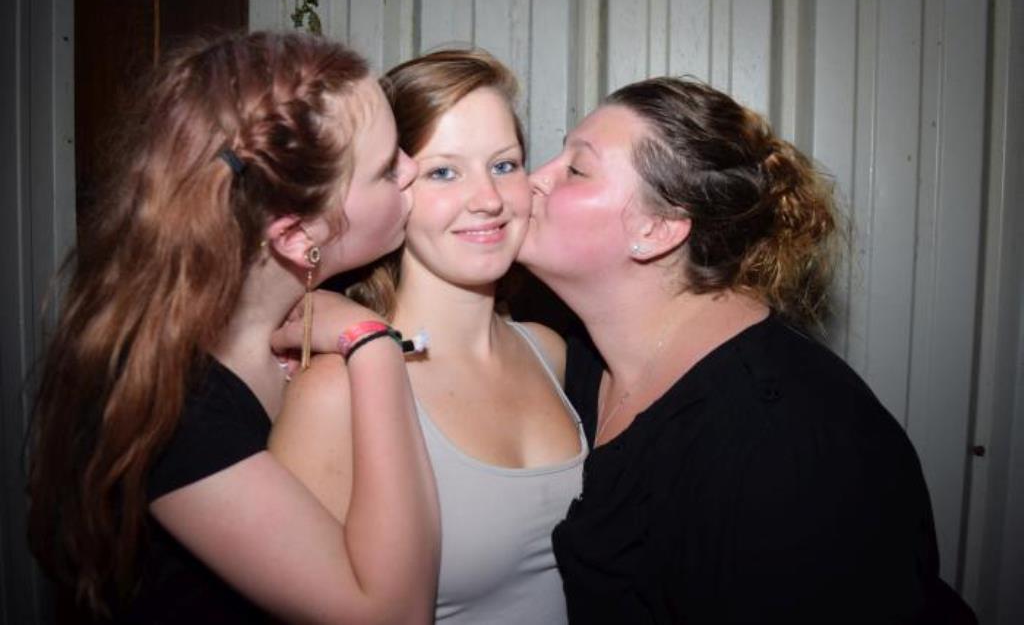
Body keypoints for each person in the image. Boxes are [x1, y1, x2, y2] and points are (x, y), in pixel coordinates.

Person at [518, 76, 976, 623]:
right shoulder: (581, 362)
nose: (532, 179)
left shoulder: (787, 452)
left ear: (658, 228)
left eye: (576, 169)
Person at [26, 31, 440, 624]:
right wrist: (373, 346)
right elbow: (394, 614)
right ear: (296, 237)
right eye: (385, 169)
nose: (412, 168)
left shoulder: (292, 326)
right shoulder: (177, 411)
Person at [271, 48, 587, 624]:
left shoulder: (551, 351)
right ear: (392, 190)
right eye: (444, 172)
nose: (488, 199)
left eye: (504, 165)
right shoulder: (335, 392)